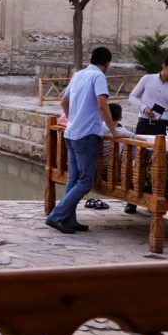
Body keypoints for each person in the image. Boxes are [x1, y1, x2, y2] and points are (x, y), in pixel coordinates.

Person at [45, 46, 117, 234]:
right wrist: (113, 130)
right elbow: (102, 104)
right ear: (107, 63)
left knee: (74, 178)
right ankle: (57, 215)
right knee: (85, 181)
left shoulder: (78, 75)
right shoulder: (98, 76)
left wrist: (72, 119)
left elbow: (64, 101)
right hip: (86, 136)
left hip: (71, 133)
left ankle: (69, 219)